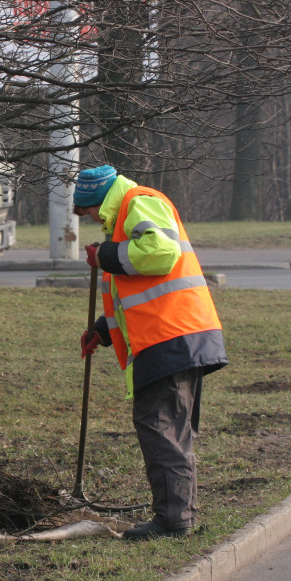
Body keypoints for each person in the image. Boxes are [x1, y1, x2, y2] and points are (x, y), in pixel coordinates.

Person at [74, 165, 228, 541]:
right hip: (173, 335)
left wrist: (106, 255)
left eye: (88, 212)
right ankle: (179, 514)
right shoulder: (127, 215)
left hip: (171, 338)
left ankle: (173, 521)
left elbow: (160, 254)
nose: (90, 219)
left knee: (159, 427)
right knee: (170, 430)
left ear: (97, 201)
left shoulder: (140, 202)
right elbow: (136, 298)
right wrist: (103, 331)